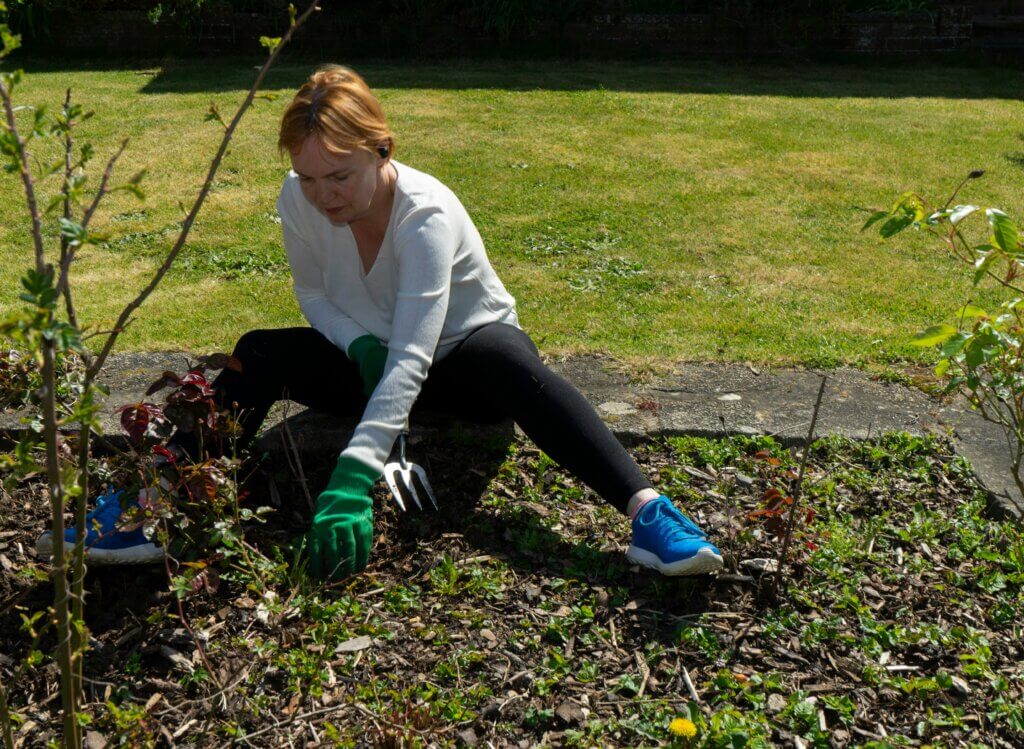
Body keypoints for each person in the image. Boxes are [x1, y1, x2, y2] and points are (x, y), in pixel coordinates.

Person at [37, 65, 723, 579]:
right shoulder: (299, 199)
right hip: (373, 361)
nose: (323, 195)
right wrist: (357, 342)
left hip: (463, 370)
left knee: (510, 363)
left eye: (339, 175)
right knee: (257, 352)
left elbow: (416, 354)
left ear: (382, 150)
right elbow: (313, 293)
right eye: (308, 177)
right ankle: (151, 505)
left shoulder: (426, 214)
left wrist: (353, 474)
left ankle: (650, 515)